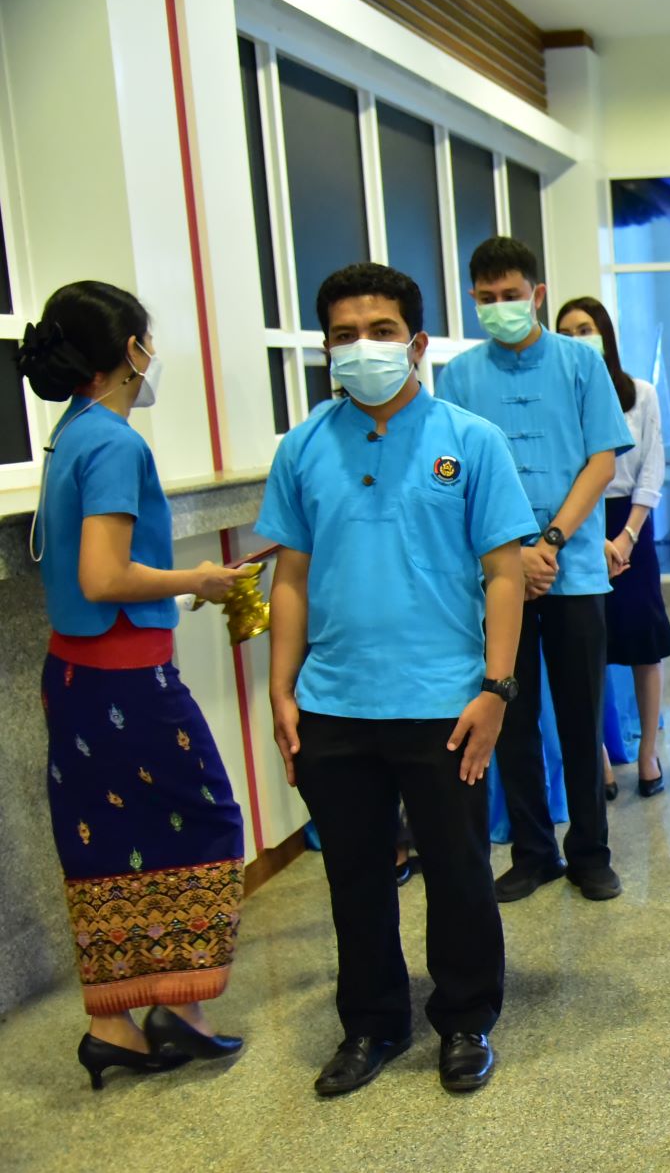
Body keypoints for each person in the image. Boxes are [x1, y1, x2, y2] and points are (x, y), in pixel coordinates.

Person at [258, 262, 535, 1096]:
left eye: (380, 332)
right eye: (344, 335)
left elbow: (505, 574)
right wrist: (280, 688)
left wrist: (496, 688)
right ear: (326, 349)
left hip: (444, 701)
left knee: (458, 870)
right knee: (354, 877)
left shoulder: (470, 440)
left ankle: (465, 1018)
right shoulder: (303, 447)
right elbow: (291, 576)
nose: (363, 348)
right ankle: (372, 1022)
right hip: (334, 703)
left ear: (415, 343)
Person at [16, 282, 248, 1089]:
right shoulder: (114, 443)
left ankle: (112, 1022)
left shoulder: (70, 432)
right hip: (125, 680)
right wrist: (199, 579)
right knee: (207, 818)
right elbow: (105, 574)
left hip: (74, 674)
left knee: (103, 841)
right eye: (148, 341)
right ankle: (181, 1008)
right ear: (130, 352)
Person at [436, 237, 634, 904]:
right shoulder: (459, 377)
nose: (501, 306)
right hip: (499, 577)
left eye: (512, 295)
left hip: (574, 572)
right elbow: (453, 476)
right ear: (473, 299)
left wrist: (548, 542)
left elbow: (602, 461)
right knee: (512, 719)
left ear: (537, 294)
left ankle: (591, 852)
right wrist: (514, 554)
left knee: (580, 718)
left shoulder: (581, 362)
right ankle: (533, 851)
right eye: (488, 298)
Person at [555, 296, 670, 797]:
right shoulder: (558, 397)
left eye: (585, 328)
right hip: (578, 523)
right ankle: (602, 759)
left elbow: (651, 466)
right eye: (566, 332)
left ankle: (648, 752)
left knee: (643, 643)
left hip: (632, 521)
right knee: (589, 646)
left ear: (604, 333)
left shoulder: (640, 393)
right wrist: (592, 538)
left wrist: (627, 535)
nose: (577, 339)